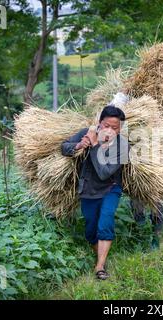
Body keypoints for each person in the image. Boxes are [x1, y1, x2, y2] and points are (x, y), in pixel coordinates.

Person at [61, 105, 129, 280]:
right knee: (91, 229)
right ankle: (100, 257)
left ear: (120, 128)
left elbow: (105, 172)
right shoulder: (87, 132)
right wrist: (79, 145)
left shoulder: (122, 145)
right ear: (100, 123)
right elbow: (64, 147)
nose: (110, 130)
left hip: (110, 188)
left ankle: (100, 266)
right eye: (107, 125)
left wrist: (94, 146)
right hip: (88, 188)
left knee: (105, 223)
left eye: (115, 128)